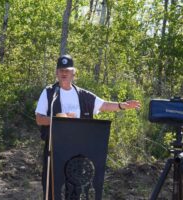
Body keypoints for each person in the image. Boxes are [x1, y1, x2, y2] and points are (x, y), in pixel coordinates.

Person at [35, 54, 141, 199]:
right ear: (56, 73)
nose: (64, 73)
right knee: (53, 189)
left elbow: (103, 105)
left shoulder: (83, 95)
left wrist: (122, 105)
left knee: (75, 189)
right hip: (55, 150)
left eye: (67, 70)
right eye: (61, 70)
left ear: (74, 73)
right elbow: (39, 119)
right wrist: (59, 120)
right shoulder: (49, 93)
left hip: (78, 151)